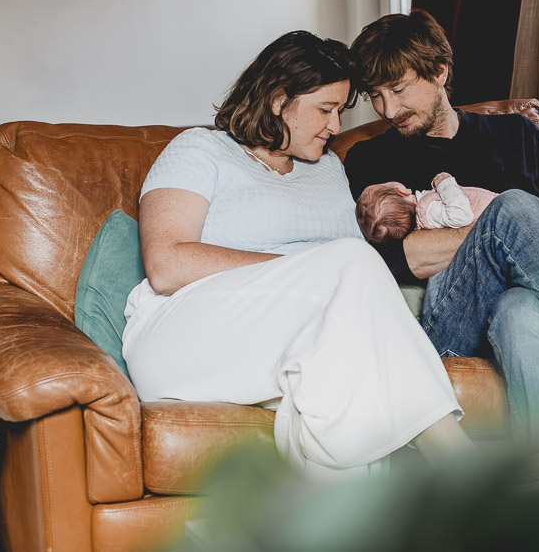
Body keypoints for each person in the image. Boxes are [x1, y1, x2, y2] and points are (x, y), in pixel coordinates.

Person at [121, 30, 471, 481]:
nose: (335, 127)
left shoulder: (327, 170)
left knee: (339, 386)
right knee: (350, 263)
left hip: (281, 342)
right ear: (277, 99)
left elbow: (350, 293)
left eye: (340, 112)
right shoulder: (199, 150)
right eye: (325, 109)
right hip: (183, 335)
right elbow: (167, 266)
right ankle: (459, 463)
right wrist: (308, 273)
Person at [346, 10, 539, 450]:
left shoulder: (517, 134)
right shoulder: (370, 160)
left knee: (522, 311)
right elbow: (384, 262)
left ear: (439, 72)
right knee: (515, 207)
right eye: (376, 95)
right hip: (446, 327)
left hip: (532, 309)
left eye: (398, 89)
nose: (388, 109)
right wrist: (504, 228)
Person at [355, 172, 539, 244]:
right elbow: (460, 214)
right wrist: (445, 183)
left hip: (496, 208)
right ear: (400, 189)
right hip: (494, 213)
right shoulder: (427, 209)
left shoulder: (425, 212)